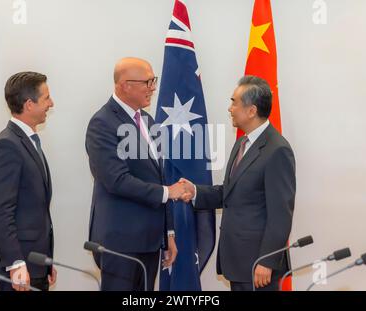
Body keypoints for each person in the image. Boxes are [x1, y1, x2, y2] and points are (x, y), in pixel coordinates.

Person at [180, 75, 296, 291]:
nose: (230, 108)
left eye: (234, 102)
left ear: (251, 111)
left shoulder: (277, 150)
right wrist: (194, 191)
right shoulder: (243, 142)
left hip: (259, 265)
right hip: (239, 261)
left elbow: (281, 213)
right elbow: (232, 193)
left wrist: (267, 261)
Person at [85, 57, 185, 291]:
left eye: (154, 81)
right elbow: (116, 180)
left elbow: (160, 175)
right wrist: (167, 193)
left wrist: (168, 232)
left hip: (149, 242)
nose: (153, 88)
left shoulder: (148, 121)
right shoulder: (102, 123)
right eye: (147, 82)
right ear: (124, 85)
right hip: (120, 243)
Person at [0, 71, 57, 291]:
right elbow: (0, 210)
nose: (51, 103)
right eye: (46, 98)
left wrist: (45, 263)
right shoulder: (7, 145)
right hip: (19, 265)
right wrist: (15, 262)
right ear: (29, 104)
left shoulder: (28, 140)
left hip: (35, 262)